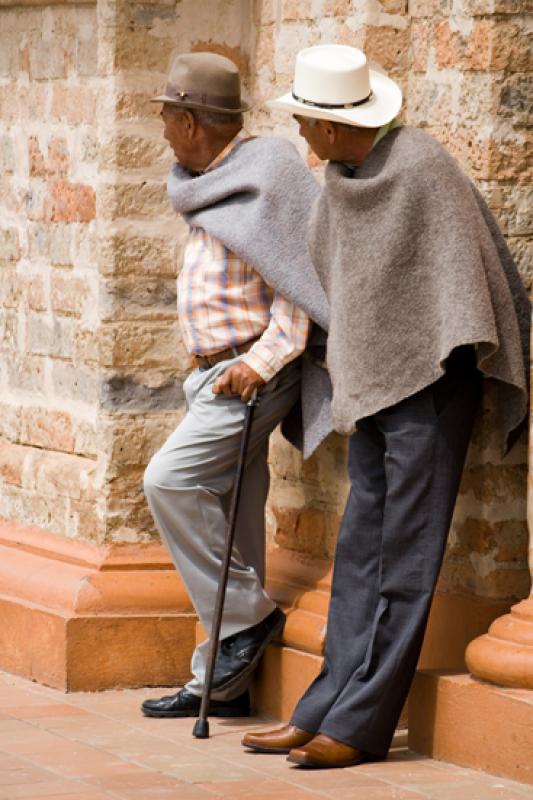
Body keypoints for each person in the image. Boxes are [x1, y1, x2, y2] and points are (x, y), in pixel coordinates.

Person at [242, 44, 530, 767]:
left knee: (404, 555)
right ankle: (322, 704)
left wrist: (425, 349)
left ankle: (363, 724)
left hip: (432, 383)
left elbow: (460, 276)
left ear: (336, 125)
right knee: (358, 549)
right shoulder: (343, 176)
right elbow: (347, 282)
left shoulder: (419, 166)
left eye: (306, 122)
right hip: (374, 383)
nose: (301, 135)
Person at [141, 52, 330, 720]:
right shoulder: (204, 179)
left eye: (167, 116)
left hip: (247, 370)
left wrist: (264, 360)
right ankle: (221, 683)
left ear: (191, 120)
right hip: (211, 375)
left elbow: (301, 279)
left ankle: (247, 618)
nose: (162, 130)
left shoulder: (269, 173)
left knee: (168, 481)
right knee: (235, 521)